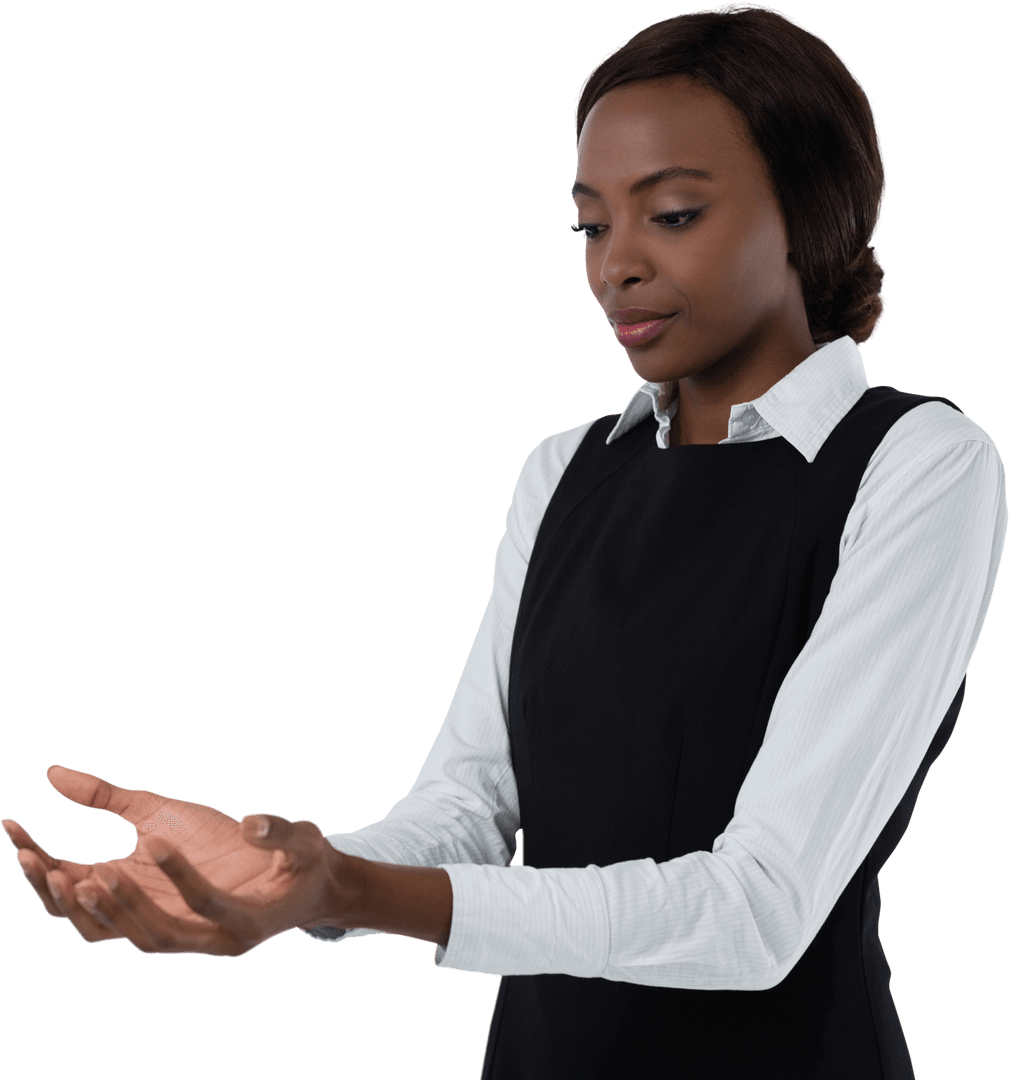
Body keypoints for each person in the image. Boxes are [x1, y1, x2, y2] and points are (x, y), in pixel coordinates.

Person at [4, 4, 1006, 1077]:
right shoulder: (562, 471)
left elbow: (758, 908)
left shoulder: (918, 465)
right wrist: (293, 873)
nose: (613, 266)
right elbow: (468, 808)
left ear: (809, 213)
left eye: (670, 214)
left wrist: (354, 892)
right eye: (590, 225)